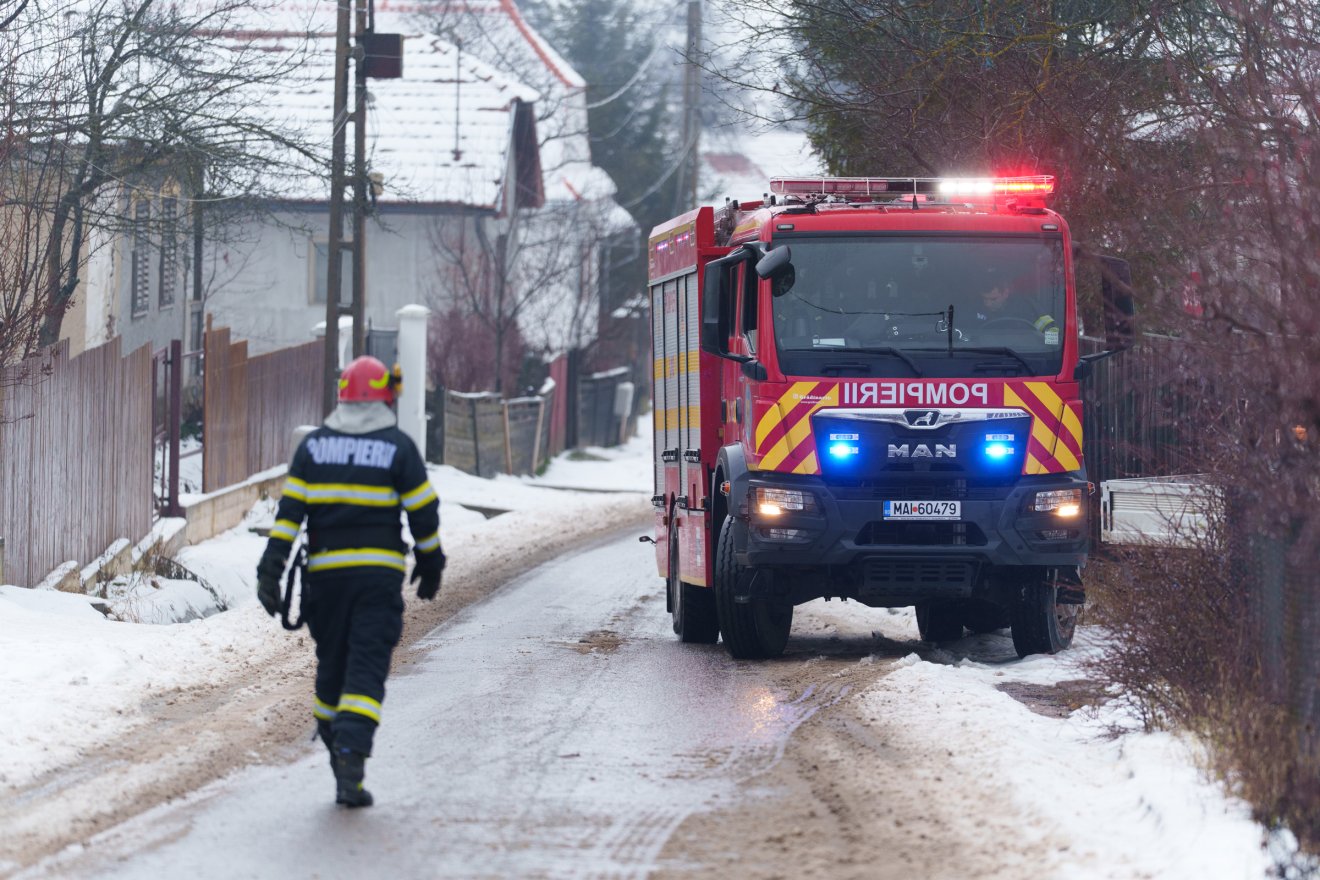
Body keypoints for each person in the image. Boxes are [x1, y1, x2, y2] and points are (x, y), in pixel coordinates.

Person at [255, 355, 444, 808]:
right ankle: (351, 755)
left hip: (325, 583)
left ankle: (335, 739)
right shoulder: (397, 447)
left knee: (333, 666)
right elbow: (423, 509)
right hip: (377, 581)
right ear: (384, 395)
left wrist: (271, 569)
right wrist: (430, 560)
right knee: (366, 666)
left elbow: (289, 516)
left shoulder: (313, 447)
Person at [972, 275, 1059, 343]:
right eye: (984, 299)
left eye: (993, 299)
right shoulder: (974, 309)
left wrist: (1050, 346)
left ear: (1005, 293)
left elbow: (1050, 331)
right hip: (985, 356)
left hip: (1025, 356)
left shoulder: (1027, 307)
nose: (987, 304)